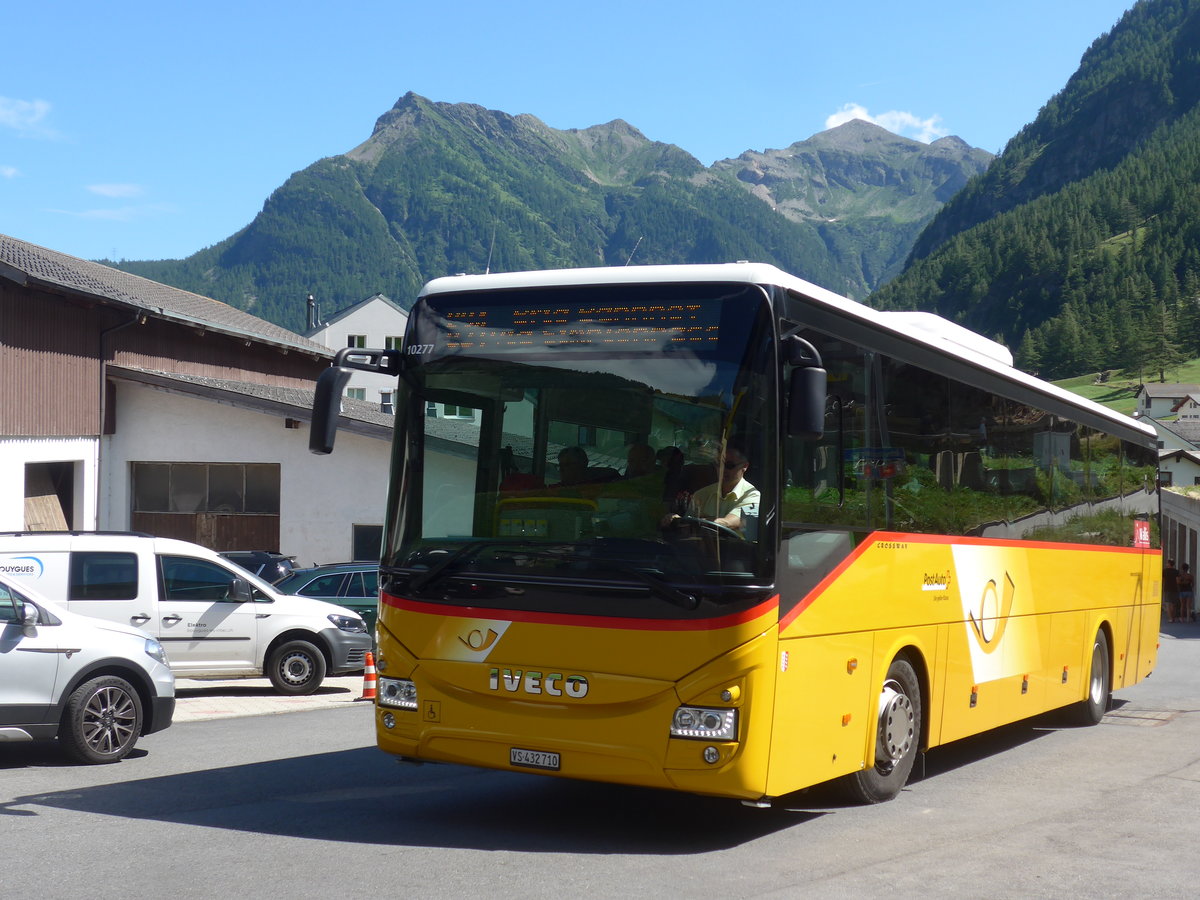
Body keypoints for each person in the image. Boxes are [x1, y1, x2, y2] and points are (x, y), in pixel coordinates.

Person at [665, 446, 759, 537]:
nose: (722, 470)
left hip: (738, 551)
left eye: (729, 465)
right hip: (703, 551)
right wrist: (675, 521)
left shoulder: (754, 497)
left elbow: (730, 522)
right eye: (719, 464)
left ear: (745, 466)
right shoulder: (701, 494)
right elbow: (687, 530)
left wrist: (698, 521)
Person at [1164, 559, 1180, 623]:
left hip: (1167, 588)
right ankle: (1173, 617)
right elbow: (1178, 581)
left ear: (1169, 564)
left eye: (1167, 563)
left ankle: (1170, 618)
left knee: (1168, 604)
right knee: (1173, 604)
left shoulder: (1164, 571)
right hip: (1175, 589)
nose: (1166, 564)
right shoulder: (1176, 571)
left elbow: (1163, 580)